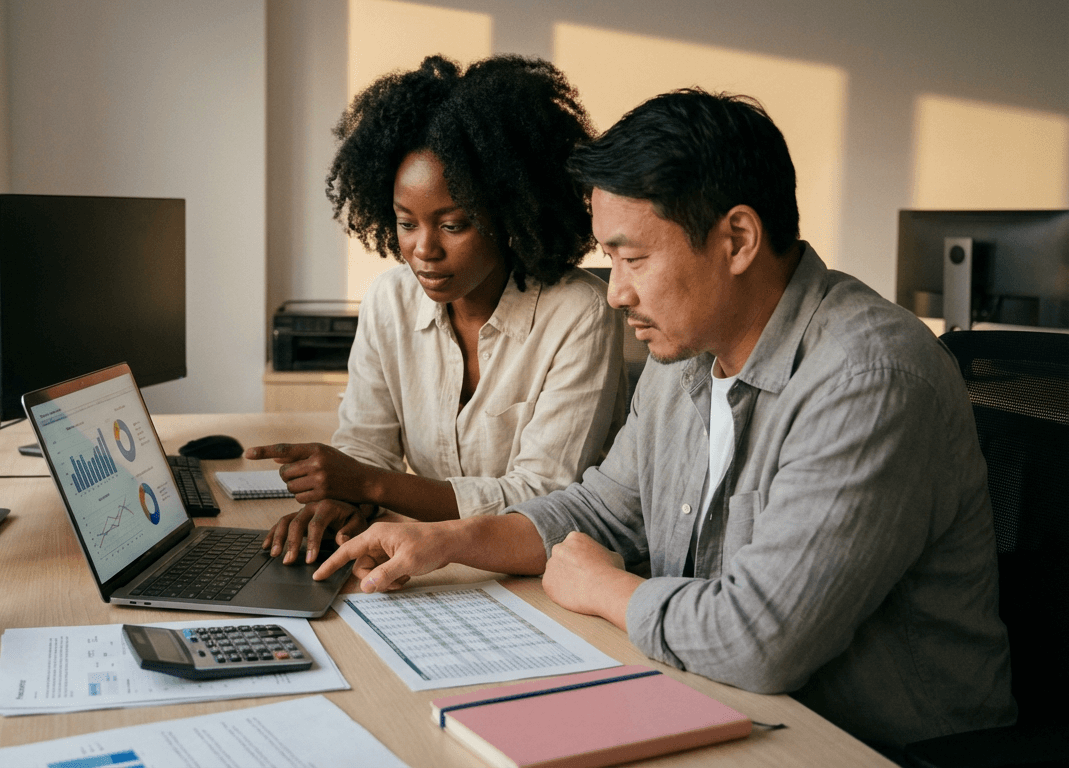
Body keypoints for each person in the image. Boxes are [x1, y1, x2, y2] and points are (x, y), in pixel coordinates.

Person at [313, 88, 1015, 750]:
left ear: (737, 239)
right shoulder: (685, 355)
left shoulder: (868, 378)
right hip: (719, 705)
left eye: (633, 258)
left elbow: (760, 639)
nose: (615, 293)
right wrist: (448, 541)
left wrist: (606, 587)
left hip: (863, 746)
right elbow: (604, 510)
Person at [250, 55, 626, 566]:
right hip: (425, 564)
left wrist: (366, 482)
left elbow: (542, 497)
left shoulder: (579, 315)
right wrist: (337, 502)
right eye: (407, 223)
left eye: (453, 225)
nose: (424, 249)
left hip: (541, 576)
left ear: (512, 213)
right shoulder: (389, 301)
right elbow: (367, 448)